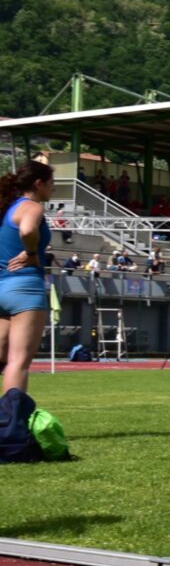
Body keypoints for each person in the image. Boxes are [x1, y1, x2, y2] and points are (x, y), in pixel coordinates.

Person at [0, 161, 55, 396]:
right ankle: (12, 424)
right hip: (24, 289)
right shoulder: (32, 207)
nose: (53, 189)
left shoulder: (8, 208)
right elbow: (27, 230)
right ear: (38, 183)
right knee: (18, 361)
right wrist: (31, 253)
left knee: (1, 358)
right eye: (51, 184)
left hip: (2, 285)